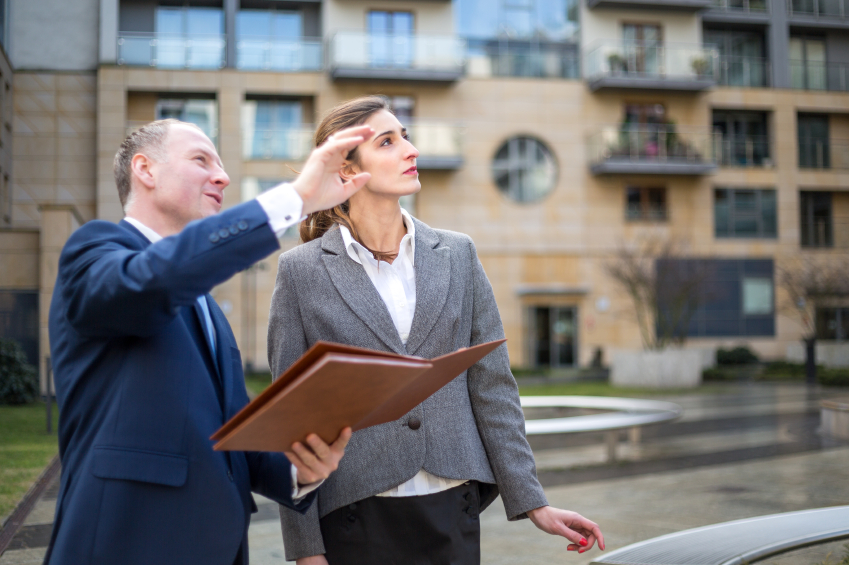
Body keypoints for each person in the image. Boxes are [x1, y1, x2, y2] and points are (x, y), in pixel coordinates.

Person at [268, 96, 605, 565]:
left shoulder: (458, 253)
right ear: (346, 170)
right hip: (354, 515)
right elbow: (294, 419)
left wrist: (533, 501)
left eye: (405, 136)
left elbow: (493, 388)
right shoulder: (301, 272)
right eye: (388, 141)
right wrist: (305, 550)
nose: (410, 149)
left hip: (454, 506)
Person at [45, 118, 375, 565]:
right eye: (201, 160)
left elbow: (227, 431)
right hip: (126, 542)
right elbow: (152, 283)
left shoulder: (207, 307)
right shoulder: (94, 249)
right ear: (145, 170)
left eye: (220, 165)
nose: (222, 176)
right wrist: (295, 199)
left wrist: (298, 468)